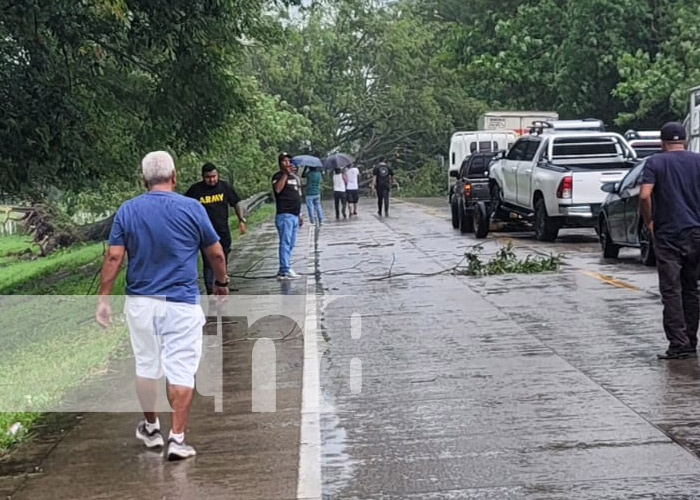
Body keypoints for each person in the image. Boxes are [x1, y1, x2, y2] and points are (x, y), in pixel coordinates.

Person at [95, 151, 229, 460]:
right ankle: (177, 439)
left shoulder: (128, 210)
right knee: (180, 368)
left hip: (141, 304)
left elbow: (114, 256)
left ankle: (152, 428)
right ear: (174, 176)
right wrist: (220, 283)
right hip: (181, 303)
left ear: (143, 179)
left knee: (146, 365)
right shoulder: (192, 208)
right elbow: (216, 253)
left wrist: (103, 298)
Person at [640, 122, 700, 360]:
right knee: (691, 289)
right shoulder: (697, 161)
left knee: (671, 290)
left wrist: (649, 221)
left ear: (662, 141)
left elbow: (645, 194)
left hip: (668, 235)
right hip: (696, 232)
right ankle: (692, 341)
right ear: (683, 139)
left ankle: (679, 344)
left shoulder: (655, 162)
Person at [185, 162, 246, 295]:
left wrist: (241, 219)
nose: (212, 180)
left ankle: (221, 284)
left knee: (222, 259)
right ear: (203, 177)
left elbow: (236, 202)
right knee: (209, 263)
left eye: (214, 176)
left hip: (222, 231)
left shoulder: (224, 187)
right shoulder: (195, 191)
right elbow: (184, 209)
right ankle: (210, 291)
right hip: (204, 234)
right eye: (208, 177)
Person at [272, 153, 303, 280]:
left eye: (289, 161)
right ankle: (285, 269)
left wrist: (300, 214)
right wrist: (285, 173)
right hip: (284, 214)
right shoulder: (278, 176)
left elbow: (298, 195)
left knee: (291, 243)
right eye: (284, 161)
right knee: (285, 242)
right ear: (280, 163)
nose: (287, 163)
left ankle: (283, 267)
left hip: (295, 215)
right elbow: (278, 189)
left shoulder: (295, 178)